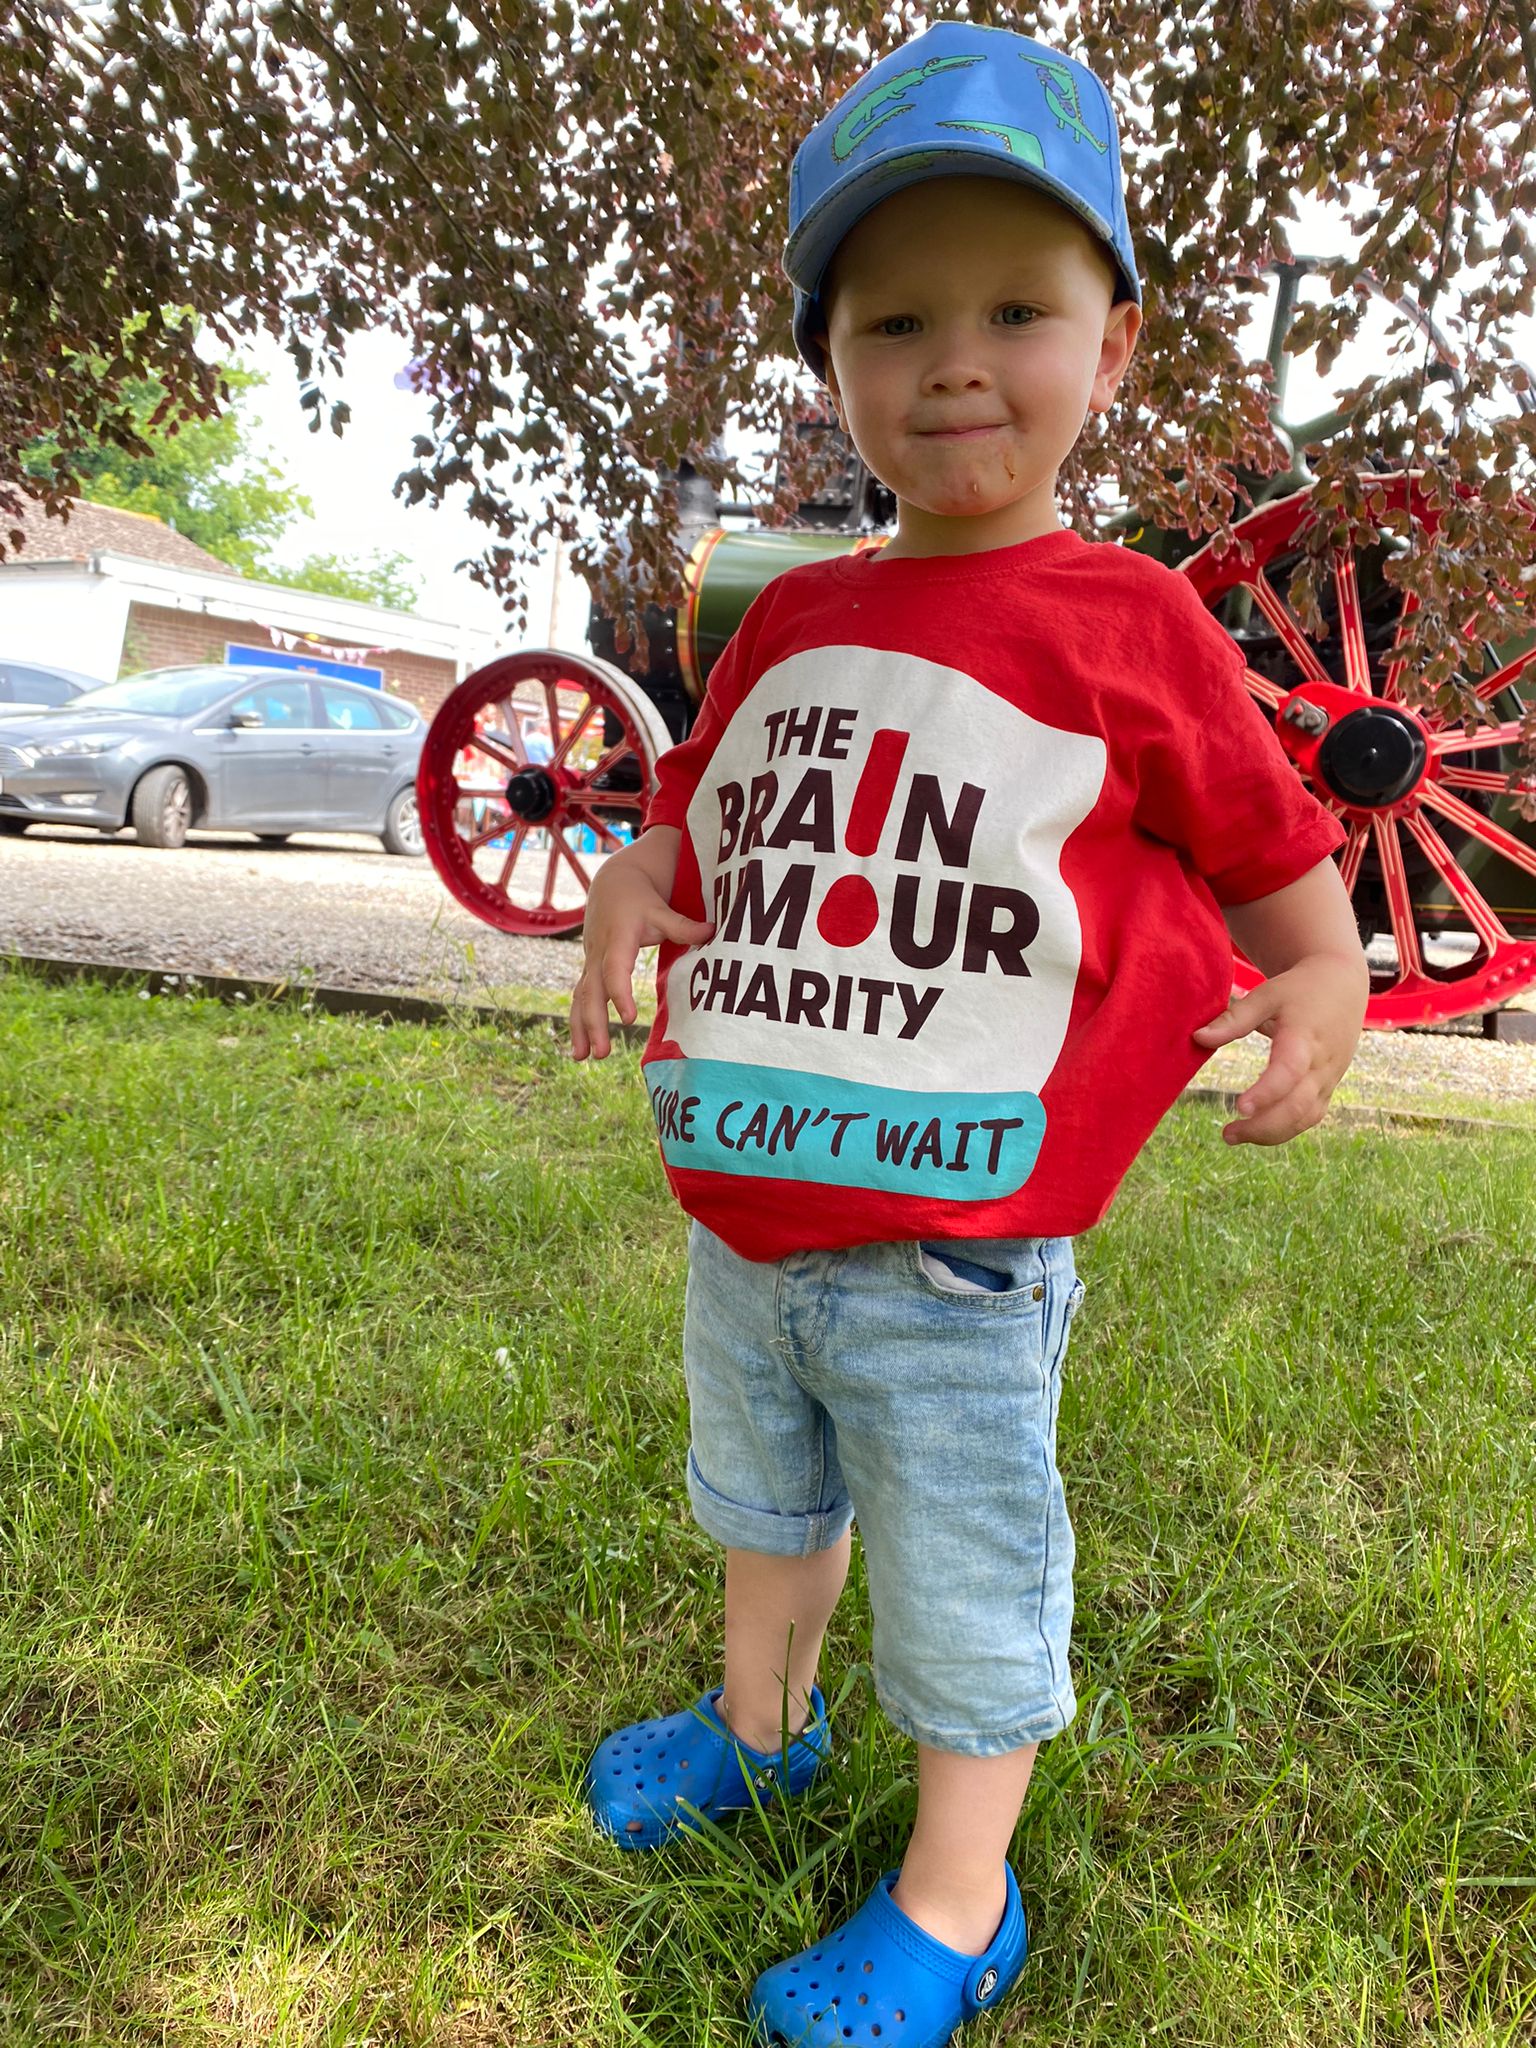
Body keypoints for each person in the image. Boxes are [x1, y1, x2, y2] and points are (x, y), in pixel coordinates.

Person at [568, 22, 1369, 2045]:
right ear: (832, 364)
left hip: (956, 1237)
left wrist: (1325, 982)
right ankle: (760, 1724)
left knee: (962, 1564)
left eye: (1017, 308)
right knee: (761, 1493)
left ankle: (955, 1893)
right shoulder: (787, 619)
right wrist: (639, 889)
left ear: (1111, 353)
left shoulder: (1132, 626)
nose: (950, 361)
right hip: (753, 1197)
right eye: (894, 316)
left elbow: (1284, 863)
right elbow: (696, 819)